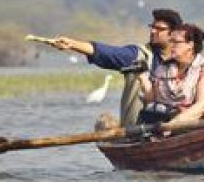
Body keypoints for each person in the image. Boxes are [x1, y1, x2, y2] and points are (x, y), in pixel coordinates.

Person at [51, 8, 183, 126]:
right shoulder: (138, 55)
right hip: (140, 129)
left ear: (173, 34)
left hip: (176, 124)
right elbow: (106, 52)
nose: (153, 31)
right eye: (152, 27)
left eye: (159, 29)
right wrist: (72, 44)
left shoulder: (184, 59)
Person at [137, 23, 204, 124]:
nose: (171, 46)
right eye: (170, 41)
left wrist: (175, 123)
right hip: (164, 120)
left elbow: (203, 104)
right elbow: (152, 100)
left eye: (176, 42)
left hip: (195, 123)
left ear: (190, 45)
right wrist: (142, 77)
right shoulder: (163, 68)